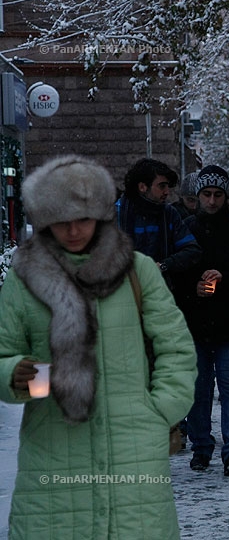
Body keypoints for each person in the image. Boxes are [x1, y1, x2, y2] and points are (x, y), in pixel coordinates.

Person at [0, 155, 197, 539]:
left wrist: (159, 410)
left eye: (84, 218)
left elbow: (176, 346)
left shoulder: (138, 269)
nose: (74, 230)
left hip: (134, 443)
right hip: (52, 443)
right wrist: (18, 374)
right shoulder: (23, 280)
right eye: (61, 220)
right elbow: (4, 354)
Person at [173, 165, 229, 477]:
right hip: (194, 325)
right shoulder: (184, 230)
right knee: (198, 390)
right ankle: (201, 446)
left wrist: (224, 279)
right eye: (207, 194)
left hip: (228, 325)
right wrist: (194, 287)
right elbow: (175, 275)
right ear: (198, 196)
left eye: (217, 195)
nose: (211, 200)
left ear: (226, 197)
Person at [115, 157, 202, 288]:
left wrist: (163, 265)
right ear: (142, 187)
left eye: (168, 186)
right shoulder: (116, 214)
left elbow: (192, 250)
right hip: (122, 290)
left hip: (160, 290)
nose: (167, 192)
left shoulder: (168, 214)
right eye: (162, 186)